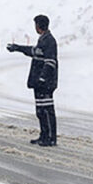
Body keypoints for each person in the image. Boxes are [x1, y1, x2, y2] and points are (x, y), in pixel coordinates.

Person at [6, 15, 58, 146]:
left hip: (46, 83)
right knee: (40, 111)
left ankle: (51, 138)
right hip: (39, 83)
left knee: (47, 110)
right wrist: (17, 48)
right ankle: (43, 135)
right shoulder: (43, 40)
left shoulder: (50, 41)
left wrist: (42, 78)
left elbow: (50, 62)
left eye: (36, 24)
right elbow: (33, 51)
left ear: (39, 26)